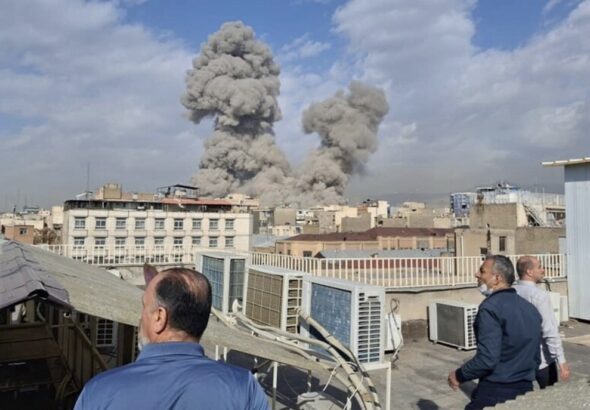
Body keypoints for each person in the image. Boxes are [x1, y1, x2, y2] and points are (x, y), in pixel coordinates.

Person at [74, 267, 269, 410]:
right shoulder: (244, 388)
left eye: (144, 307)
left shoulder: (100, 392)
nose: (140, 318)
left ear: (159, 318)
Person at [447, 255, 542, 410]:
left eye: (482, 271)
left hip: (496, 391)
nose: (477, 274)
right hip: (525, 390)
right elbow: (536, 357)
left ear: (497, 278)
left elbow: (487, 359)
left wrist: (458, 375)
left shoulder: (490, 308)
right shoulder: (530, 309)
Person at [514, 255, 570, 388]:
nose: (543, 270)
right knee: (550, 396)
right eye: (539, 267)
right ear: (529, 272)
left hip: (518, 359)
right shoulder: (539, 296)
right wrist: (561, 361)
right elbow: (549, 330)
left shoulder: (512, 291)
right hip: (541, 360)